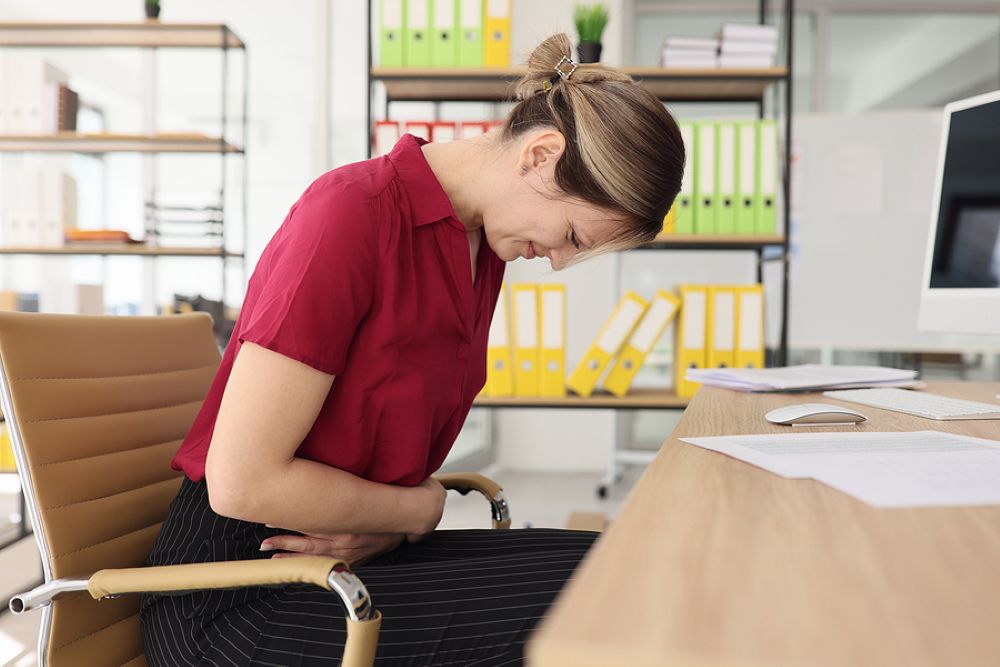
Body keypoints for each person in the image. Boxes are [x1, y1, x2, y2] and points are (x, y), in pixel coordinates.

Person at [140, 32, 684, 666]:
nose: (558, 263)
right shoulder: (353, 213)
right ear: (540, 154)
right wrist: (415, 509)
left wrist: (395, 520)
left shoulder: (481, 247)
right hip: (238, 593)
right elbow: (239, 483)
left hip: (349, 557)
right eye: (569, 235)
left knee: (628, 560)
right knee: (615, 602)